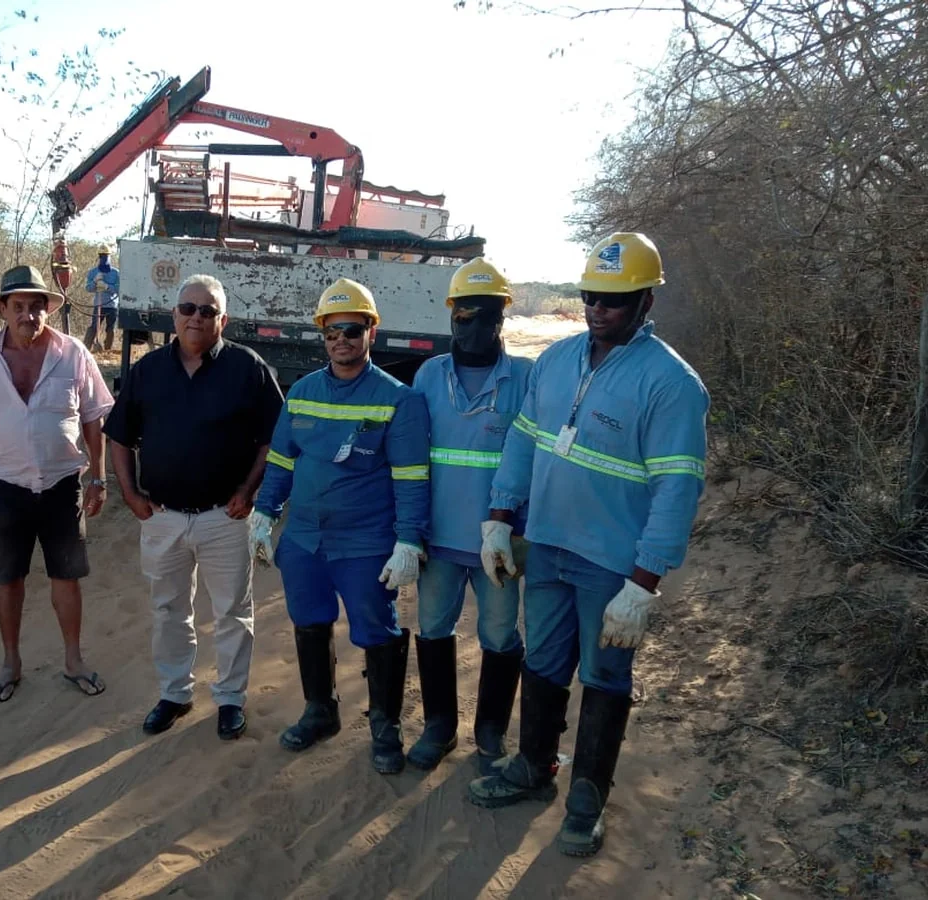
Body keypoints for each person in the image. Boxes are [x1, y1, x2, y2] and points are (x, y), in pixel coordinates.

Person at [468, 233, 710, 859]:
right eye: (590, 296)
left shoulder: (671, 385)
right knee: (543, 664)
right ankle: (533, 766)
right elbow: (522, 440)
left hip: (612, 566)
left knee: (604, 674)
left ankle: (587, 799)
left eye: (615, 299)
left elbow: (676, 489)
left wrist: (644, 583)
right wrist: (500, 517)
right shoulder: (555, 360)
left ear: (646, 301)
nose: (598, 309)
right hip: (545, 547)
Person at [249, 278, 431, 775]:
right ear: (322, 335)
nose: (341, 339)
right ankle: (320, 710)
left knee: (377, 630)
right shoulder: (303, 394)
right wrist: (265, 513)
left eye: (352, 328)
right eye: (332, 330)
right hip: (305, 539)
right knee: (309, 622)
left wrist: (409, 540)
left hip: (366, 542)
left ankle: (385, 724)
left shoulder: (399, 399)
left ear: (372, 331)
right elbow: (283, 460)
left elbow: (413, 478)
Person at [104, 274, 284, 740]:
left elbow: (274, 439)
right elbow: (119, 436)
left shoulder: (249, 368)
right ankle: (175, 694)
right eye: (188, 308)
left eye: (208, 311)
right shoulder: (148, 370)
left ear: (223, 320)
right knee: (168, 610)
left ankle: (229, 699)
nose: (196, 318)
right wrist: (130, 494)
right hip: (161, 517)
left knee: (231, 612)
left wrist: (248, 489)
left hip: (225, 518)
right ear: (174, 315)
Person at [0, 265, 115, 702]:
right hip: (6, 484)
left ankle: (73, 660)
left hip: (63, 482)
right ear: (3, 310)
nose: (28, 315)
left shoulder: (73, 352)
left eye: (36, 306)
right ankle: (11, 662)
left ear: (48, 308)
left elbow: (94, 416)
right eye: (19, 306)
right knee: (7, 580)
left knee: (67, 576)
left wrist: (98, 476)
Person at [405, 258, 533, 773]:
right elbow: (411, 459)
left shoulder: (526, 378)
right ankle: (439, 727)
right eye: (464, 316)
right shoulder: (429, 375)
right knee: (433, 629)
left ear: (503, 318)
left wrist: (517, 530)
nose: (475, 327)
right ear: (451, 317)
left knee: (501, 637)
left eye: (487, 316)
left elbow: (534, 460)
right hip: (439, 540)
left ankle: (490, 730)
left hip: (497, 545)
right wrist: (408, 534)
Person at [83, 244, 119, 352]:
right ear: (99, 256)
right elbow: (88, 288)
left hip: (112, 306)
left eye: (106, 255)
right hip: (98, 305)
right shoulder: (93, 272)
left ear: (110, 256)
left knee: (110, 328)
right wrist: (94, 281)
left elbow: (118, 290)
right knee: (94, 327)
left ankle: (107, 350)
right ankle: (85, 349)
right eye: (102, 255)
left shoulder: (115, 273)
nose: (104, 257)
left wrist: (107, 286)